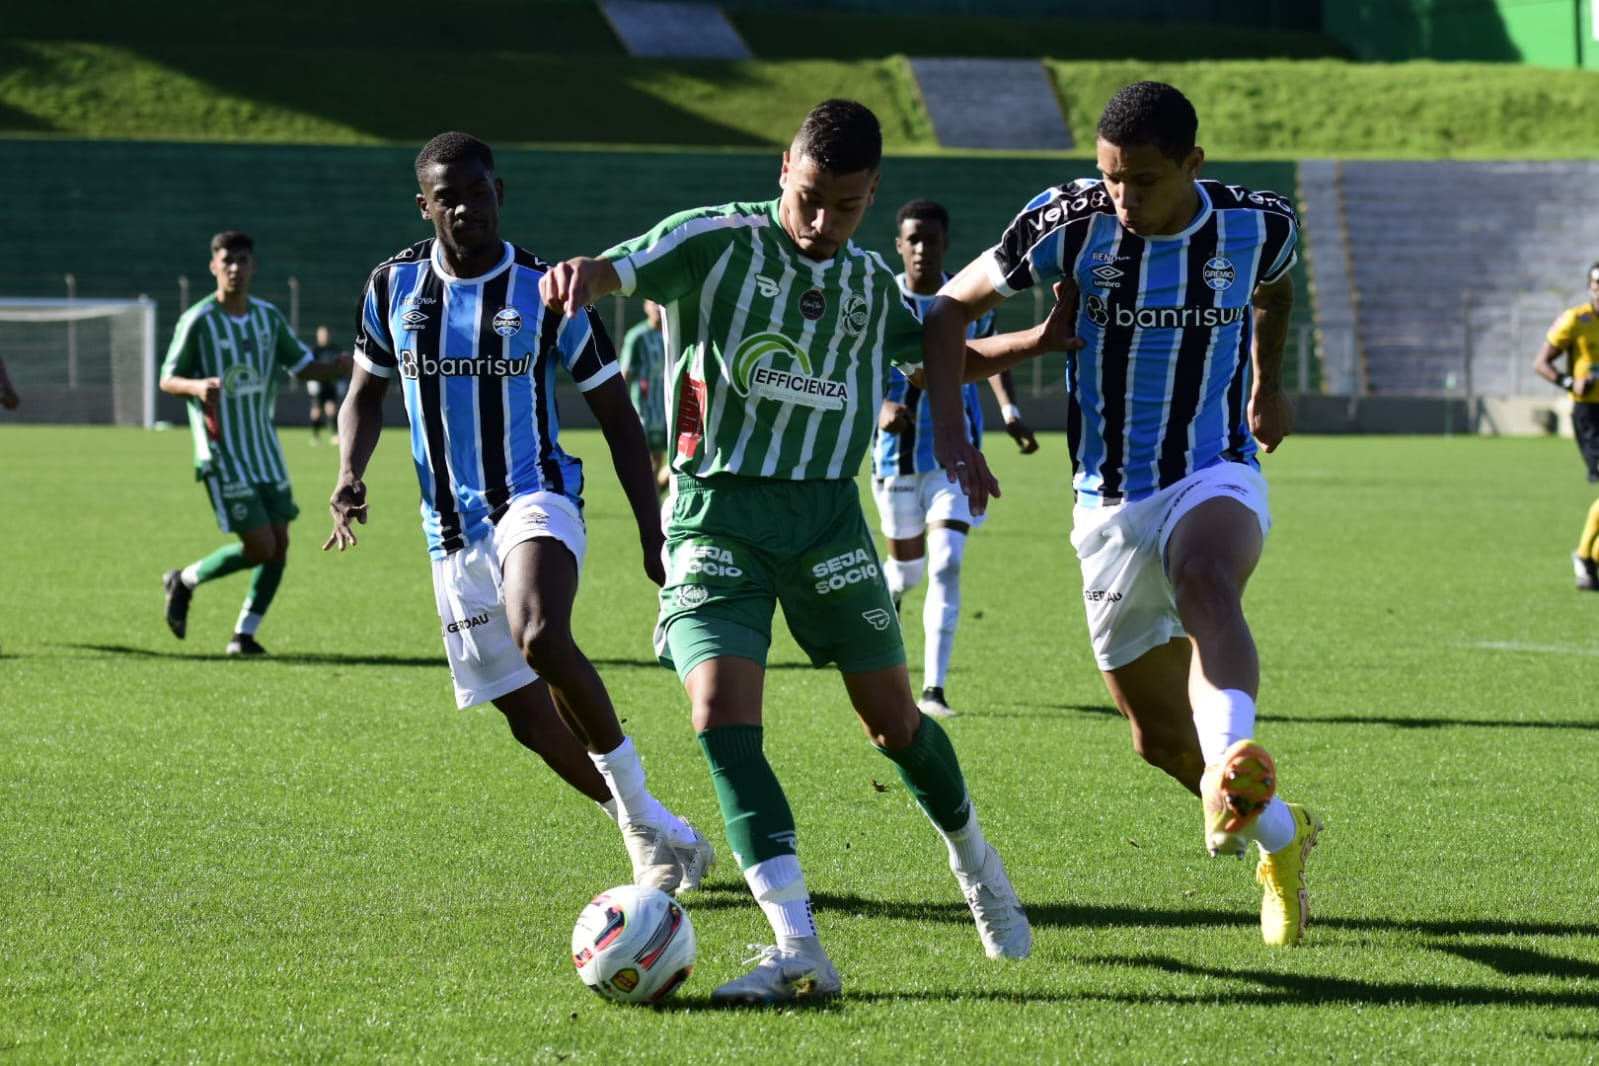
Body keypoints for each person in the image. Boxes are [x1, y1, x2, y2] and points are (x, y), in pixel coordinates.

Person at [541, 99, 1054, 1006]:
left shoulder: (867, 288)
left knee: (893, 725)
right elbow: (623, 267)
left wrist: (1037, 341)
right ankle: (798, 947)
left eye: (847, 206)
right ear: (785, 168)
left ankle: (977, 865)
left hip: (825, 523)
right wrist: (587, 276)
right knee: (716, 715)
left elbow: (948, 355)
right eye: (811, 197)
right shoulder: (716, 241)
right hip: (714, 516)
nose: (823, 222)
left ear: (872, 196)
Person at [922, 81, 1323, 947]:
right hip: (1103, 503)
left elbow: (1276, 291)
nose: (1123, 198)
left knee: (1207, 576)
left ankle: (1237, 759)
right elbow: (945, 316)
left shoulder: (1258, 223)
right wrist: (972, 418)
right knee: (1155, 740)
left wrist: (1267, 383)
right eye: (1109, 179)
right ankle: (1280, 836)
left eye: (1141, 180)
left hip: (1211, 470)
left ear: (1192, 165)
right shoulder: (1065, 223)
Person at [324, 131, 713, 895]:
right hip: (448, 531)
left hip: (534, 497)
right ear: (424, 205)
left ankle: (641, 833)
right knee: (530, 721)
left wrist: (650, 527)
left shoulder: (545, 289)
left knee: (540, 632)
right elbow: (365, 395)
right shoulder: (391, 287)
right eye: (448, 197)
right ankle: (656, 827)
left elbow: (617, 416)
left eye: (478, 191)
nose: (465, 207)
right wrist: (347, 471)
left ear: (500, 193)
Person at [873, 198, 1038, 719]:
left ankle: (933, 690)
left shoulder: (963, 298)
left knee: (947, 563)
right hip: (895, 461)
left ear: (946, 245)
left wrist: (1009, 411)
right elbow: (856, 365)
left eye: (932, 240)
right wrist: (881, 408)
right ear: (899, 245)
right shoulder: (881, 300)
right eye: (913, 239)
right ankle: (892, 590)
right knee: (908, 573)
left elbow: (989, 356)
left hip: (955, 454)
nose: (922, 249)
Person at [159, 230, 352, 656]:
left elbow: (303, 367)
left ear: (253, 267)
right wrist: (195, 386)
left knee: (280, 545)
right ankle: (185, 580)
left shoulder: (267, 318)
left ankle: (243, 635)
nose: (234, 268)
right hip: (222, 451)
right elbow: (167, 378)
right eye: (226, 260)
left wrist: (338, 367)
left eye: (242, 260)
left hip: (264, 450)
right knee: (260, 546)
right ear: (213, 266)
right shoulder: (198, 320)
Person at [1531, 262, 1599, 590]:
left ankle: (1590, 557)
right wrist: (1570, 381)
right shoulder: (1576, 319)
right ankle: (1585, 556)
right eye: (1598, 283)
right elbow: (1541, 363)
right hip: (1590, 414)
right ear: (1590, 286)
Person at [618, 299, 670, 492]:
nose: (657, 307)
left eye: (660, 304)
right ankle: (653, 510)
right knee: (651, 461)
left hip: (669, 409)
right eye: (653, 304)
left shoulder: (672, 333)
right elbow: (625, 373)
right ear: (645, 307)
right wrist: (621, 408)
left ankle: (656, 493)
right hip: (645, 410)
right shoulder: (637, 336)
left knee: (676, 461)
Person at [306, 324, 350, 445]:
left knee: (331, 408)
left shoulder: (335, 350)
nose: (324, 337)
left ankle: (335, 434)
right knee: (316, 410)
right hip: (318, 384)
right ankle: (315, 436)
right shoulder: (314, 350)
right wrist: (311, 380)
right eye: (322, 334)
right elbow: (308, 366)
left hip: (331, 383)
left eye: (326, 334)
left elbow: (341, 367)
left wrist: (341, 380)